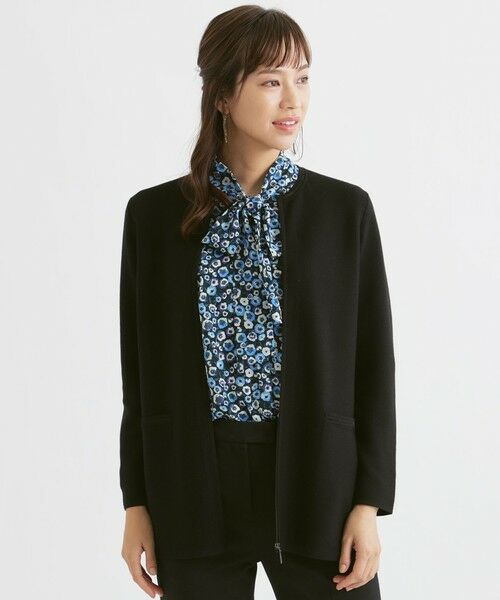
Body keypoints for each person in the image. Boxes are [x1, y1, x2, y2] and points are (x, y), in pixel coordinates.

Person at [119, 5, 396, 599]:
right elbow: (138, 373)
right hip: (192, 484)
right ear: (222, 94)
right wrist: (136, 501)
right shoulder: (153, 216)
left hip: (317, 480)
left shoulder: (343, 212)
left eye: (303, 78)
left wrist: (368, 503)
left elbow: (374, 366)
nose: (293, 99)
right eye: (271, 81)